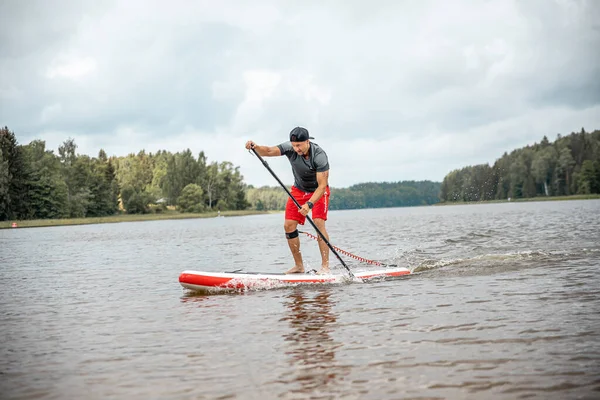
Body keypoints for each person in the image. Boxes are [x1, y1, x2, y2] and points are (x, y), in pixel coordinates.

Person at [245, 127, 331, 274]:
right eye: (294, 145)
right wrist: (255, 147)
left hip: (318, 191)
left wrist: (309, 204)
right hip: (298, 190)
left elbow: (322, 186)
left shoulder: (319, 156)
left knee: (318, 223)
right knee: (289, 225)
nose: (296, 148)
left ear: (307, 142)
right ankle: (299, 266)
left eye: (299, 145)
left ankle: (325, 267)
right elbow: (269, 151)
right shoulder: (289, 147)